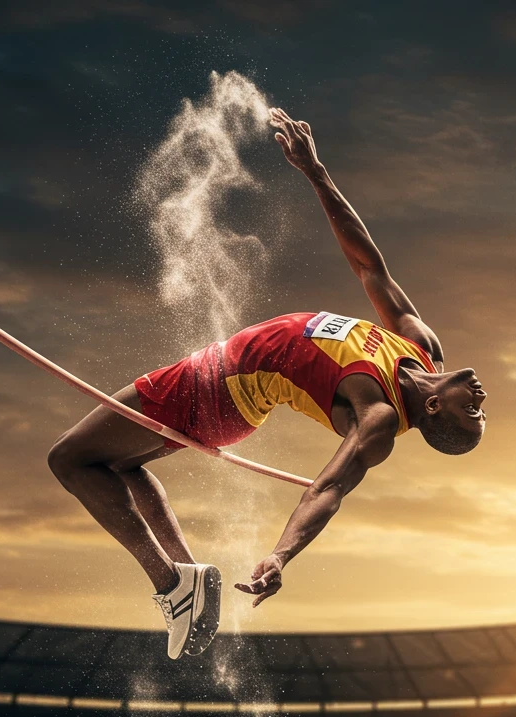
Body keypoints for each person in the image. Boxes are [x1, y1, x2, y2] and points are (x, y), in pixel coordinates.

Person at [47, 107, 488, 659]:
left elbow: (328, 489)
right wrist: (317, 173)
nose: (482, 399)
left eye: (473, 413)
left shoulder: (378, 413)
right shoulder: (421, 345)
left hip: (216, 389)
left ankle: (169, 584)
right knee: (115, 463)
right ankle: (185, 578)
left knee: (68, 459)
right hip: (215, 382)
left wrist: (281, 555)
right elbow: (369, 267)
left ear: (433, 415)